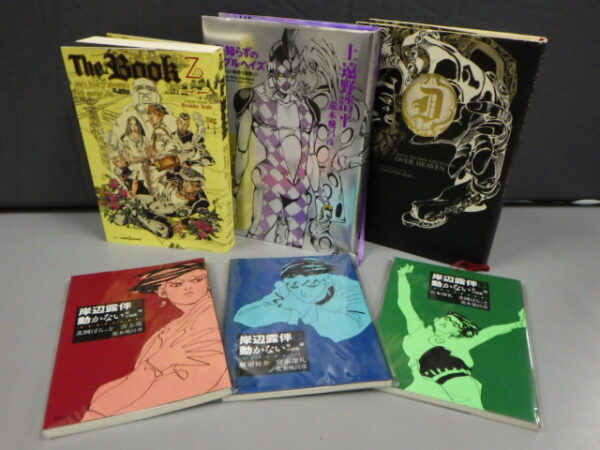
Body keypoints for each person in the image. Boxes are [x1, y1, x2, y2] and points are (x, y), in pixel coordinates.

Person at [81, 262, 229, 421]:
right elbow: (129, 383)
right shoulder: (170, 328)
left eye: (197, 280)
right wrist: (155, 364)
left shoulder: (205, 318)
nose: (188, 287)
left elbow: (188, 384)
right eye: (176, 284)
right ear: (162, 290)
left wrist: (103, 410)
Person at [233, 28, 321, 248]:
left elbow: (311, 155)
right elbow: (241, 150)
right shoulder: (254, 100)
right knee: (258, 234)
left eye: (293, 76)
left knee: (296, 243)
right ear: (271, 69)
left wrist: (318, 194)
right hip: (270, 182)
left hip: (300, 186)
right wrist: (235, 186)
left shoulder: (308, 108)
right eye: (282, 75)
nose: (287, 82)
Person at [396, 263, 526, 409]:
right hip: (423, 383)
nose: (448, 322)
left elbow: (488, 332)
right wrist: (402, 276)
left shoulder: (461, 342)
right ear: (436, 319)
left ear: (457, 332)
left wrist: (518, 324)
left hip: (457, 382)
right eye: (447, 318)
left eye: (454, 324)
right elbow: (405, 304)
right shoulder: (419, 331)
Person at [233, 259, 370, 342]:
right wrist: (289, 313)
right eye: (295, 286)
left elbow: (347, 329)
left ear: (327, 282)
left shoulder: (352, 290)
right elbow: (243, 316)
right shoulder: (289, 290)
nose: (303, 291)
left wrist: (301, 307)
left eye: (312, 284)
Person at [120, 116, 151, 195]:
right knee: (135, 180)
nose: (133, 127)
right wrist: (134, 159)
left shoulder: (144, 138)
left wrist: (145, 158)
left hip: (145, 164)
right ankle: (133, 193)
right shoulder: (126, 139)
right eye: (131, 125)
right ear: (128, 126)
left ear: (139, 125)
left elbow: (148, 153)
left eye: (135, 124)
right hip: (133, 165)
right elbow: (128, 156)